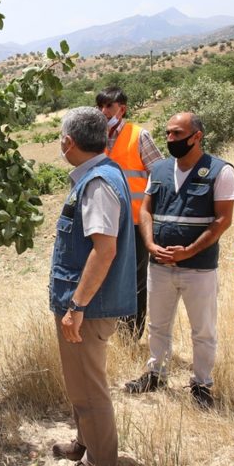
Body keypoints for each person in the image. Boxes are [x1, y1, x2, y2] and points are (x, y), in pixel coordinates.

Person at [48, 106, 137, 466]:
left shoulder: (97, 183)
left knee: (88, 386)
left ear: (69, 141)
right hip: (86, 305)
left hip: (88, 308)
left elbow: (104, 251)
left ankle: (101, 465)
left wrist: (77, 307)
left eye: (60, 138)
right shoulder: (103, 173)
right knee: (79, 381)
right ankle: (85, 443)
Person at [124, 112, 234, 407]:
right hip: (160, 265)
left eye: (177, 134)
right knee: (158, 325)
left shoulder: (219, 171)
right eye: (168, 133)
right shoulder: (159, 169)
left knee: (203, 330)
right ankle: (156, 374)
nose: (171, 139)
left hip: (198, 268)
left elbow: (223, 219)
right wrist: (150, 244)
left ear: (196, 136)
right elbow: (145, 210)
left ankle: (202, 384)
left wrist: (189, 251)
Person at [97, 86, 164, 340]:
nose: (103, 111)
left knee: (135, 280)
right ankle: (110, 333)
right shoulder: (95, 139)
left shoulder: (139, 135)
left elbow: (160, 175)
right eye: (100, 106)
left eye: (109, 106)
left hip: (135, 223)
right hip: (104, 223)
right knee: (106, 276)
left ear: (122, 109)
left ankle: (131, 336)